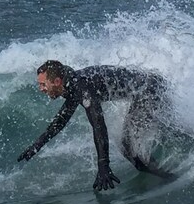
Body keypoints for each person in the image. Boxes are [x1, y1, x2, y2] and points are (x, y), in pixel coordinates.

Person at [17, 60, 177, 191]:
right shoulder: (71, 83)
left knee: (128, 145)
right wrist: (37, 145)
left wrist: (103, 165)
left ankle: (169, 177)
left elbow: (98, 125)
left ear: (57, 81)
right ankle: (164, 175)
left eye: (43, 84)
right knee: (129, 146)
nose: (41, 89)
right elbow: (61, 120)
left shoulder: (81, 87)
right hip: (150, 86)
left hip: (150, 90)